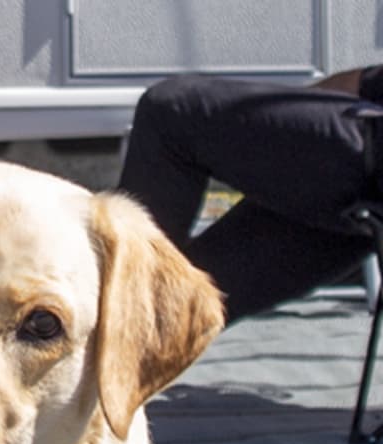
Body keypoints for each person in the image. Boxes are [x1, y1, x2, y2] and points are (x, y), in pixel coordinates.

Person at [116, 67, 383, 325]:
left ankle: (120, 316)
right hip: (363, 197)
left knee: (169, 111)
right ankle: (127, 328)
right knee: (177, 309)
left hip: (368, 163)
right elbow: (362, 84)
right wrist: (280, 127)